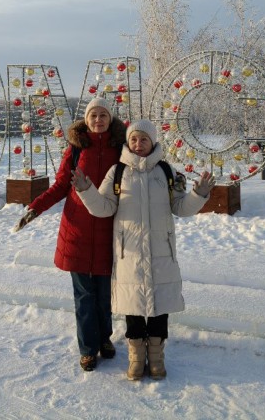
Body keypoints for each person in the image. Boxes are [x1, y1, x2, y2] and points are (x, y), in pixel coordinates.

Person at [72, 119, 215, 380]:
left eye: (144, 139)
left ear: (153, 142)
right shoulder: (117, 172)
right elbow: (103, 207)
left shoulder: (167, 172)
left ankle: (157, 358)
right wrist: (86, 190)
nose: (139, 144)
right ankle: (137, 358)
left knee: (160, 308)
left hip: (162, 251)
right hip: (130, 253)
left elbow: (181, 208)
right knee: (134, 307)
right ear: (128, 142)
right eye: (134, 139)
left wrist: (199, 195)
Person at [13, 97, 126, 372]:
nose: (98, 120)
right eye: (93, 115)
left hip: (109, 229)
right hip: (77, 229)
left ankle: (104, 339)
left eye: (103, 115)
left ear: (110, 119)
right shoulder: (76, 149)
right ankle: (88, 349)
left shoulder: (120, 149)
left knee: (104, 293)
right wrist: (34, 208)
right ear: (85, 120)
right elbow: (61, 185)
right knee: (84, 295)